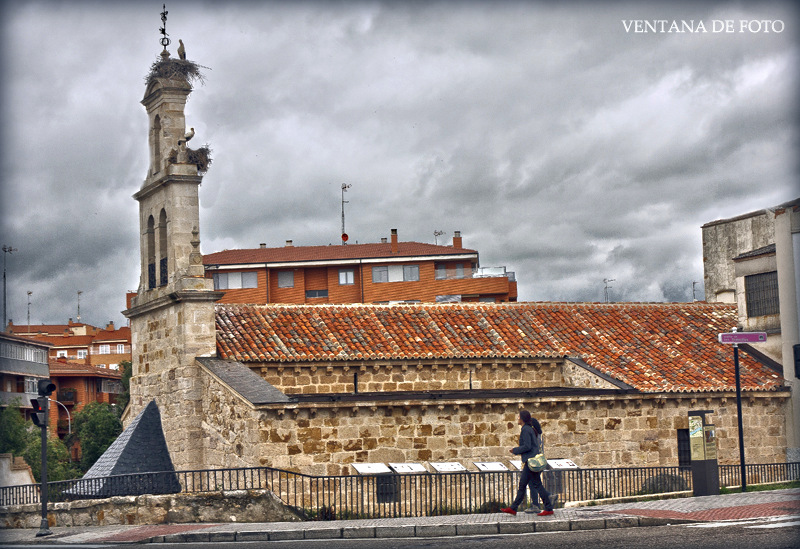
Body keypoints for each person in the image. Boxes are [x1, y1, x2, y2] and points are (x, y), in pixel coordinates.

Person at [501, 410, 555, 516]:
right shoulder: (529, 429)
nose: (517, 418)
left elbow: (527, 446)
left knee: (534, 485)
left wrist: (515, 450)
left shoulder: (525, 430)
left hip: (530, 461)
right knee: (528, 485)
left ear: (522, 419)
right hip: (531, 461)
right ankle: (514, 508)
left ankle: (548, 505)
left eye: (518, 417)